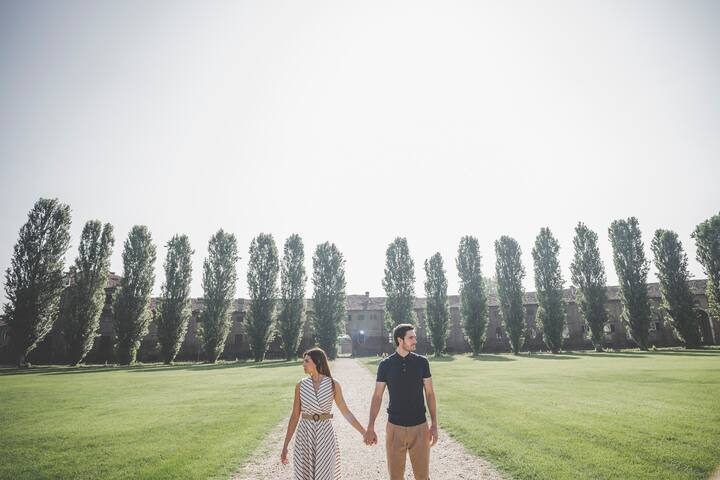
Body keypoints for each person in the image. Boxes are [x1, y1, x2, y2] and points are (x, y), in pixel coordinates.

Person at [364, 324, 438, 480]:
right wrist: (370, 426)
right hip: (394, 428)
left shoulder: (422, 362)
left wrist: (434, 424)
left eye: (415, 337)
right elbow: (377, 396)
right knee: (395, 477)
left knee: (423, 477)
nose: (415, 341)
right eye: (411, 338)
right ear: (400, 340)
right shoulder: (385, 365)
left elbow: (430, 393)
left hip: (420, 427)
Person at [281, 347, 366, 479]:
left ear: (317, 362)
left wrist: (363, 432)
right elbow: (294, 416)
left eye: (307, 361)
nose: (303, 364)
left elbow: (346, 412)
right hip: (305, 434)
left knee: (325, 474)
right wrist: (285, 445)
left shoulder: (333, 384)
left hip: (325, 433)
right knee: (304, 474)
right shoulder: (301, 385)